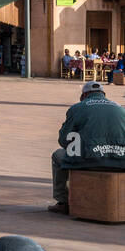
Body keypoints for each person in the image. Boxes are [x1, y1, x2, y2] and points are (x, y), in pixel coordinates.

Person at [49, 81, 125, 213]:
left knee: (58, 155)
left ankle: (63, 201)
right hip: (120, 162)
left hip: (89, 162)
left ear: (84, 95)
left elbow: (64, 140)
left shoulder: (78, 108)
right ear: (103, 94)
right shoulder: (120, 109)